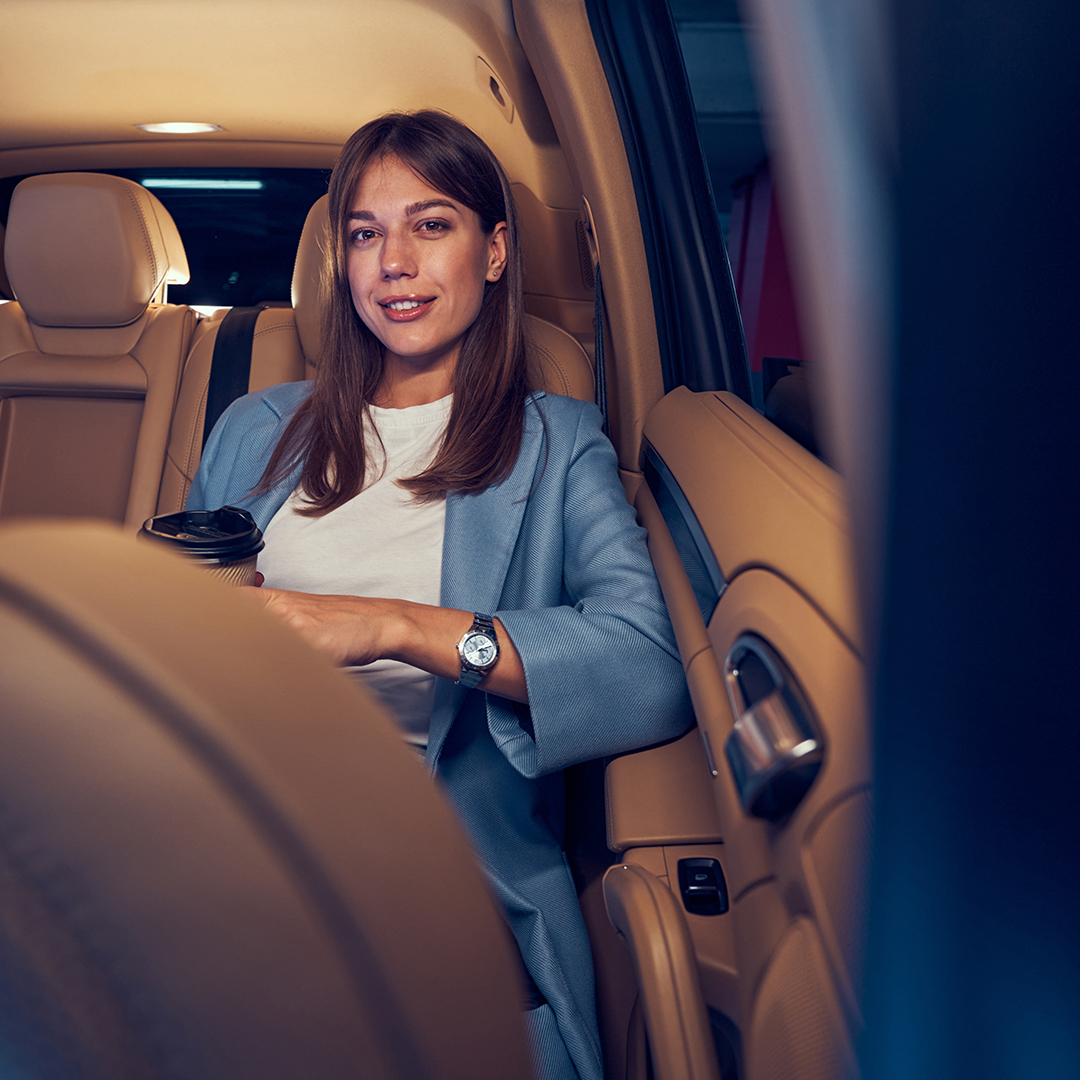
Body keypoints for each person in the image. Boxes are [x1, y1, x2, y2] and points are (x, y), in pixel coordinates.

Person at [187, 110, 693, 1080]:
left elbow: (647, 664)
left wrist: (394, 628)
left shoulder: (555, 443)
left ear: (494, 251)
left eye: (432, 224)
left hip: (434, 866)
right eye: (366, 232)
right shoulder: (255, 430)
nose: (394, 263)